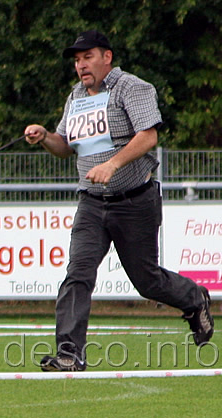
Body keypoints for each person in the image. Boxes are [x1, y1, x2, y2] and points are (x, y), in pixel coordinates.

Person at [24, 30, 214, 372]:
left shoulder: (133, 88)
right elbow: (65, 147)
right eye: (77, 60)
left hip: (135, 201)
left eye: (88, 57)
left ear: (107, 57)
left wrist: (112, 164)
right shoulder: (76, 97)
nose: (81, 66)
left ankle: (193, 298)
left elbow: (149, 136)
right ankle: (70, 353)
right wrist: (45, 137)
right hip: (92, 203)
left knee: (147, 282)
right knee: (77, 275)